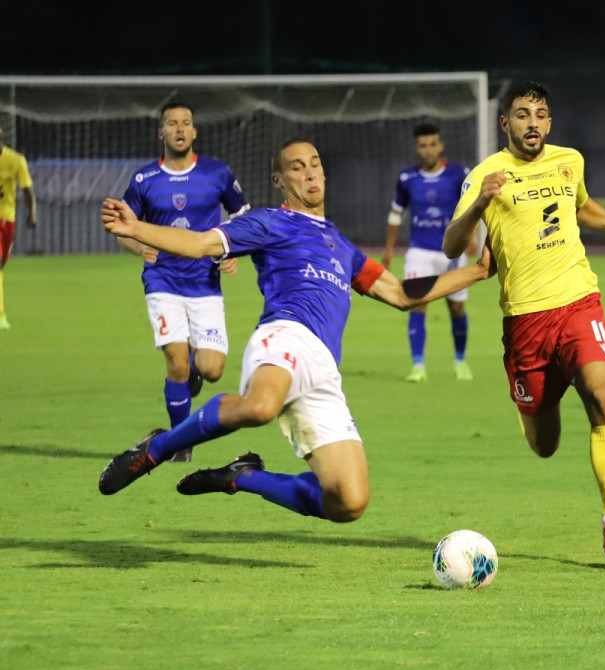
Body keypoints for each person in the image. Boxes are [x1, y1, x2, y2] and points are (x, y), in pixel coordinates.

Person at [98, 138, 490, 525]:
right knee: (260, 407)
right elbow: (200, 243)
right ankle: (156, 449)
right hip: (285, 333)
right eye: (297, 167)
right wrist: (137, 228)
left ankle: (243, 477)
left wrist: (478, 270)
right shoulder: (268, 222)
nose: (310, 172)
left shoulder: (342, 246)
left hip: (324, 366)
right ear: (279, 180)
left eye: (314, 163)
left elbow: (401, 294)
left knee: (348, 502)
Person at [443, 81, 605, 560]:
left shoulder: (569, 161)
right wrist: (479, 205)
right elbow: (452, 246)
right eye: (522, 114)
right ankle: (537, 405)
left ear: (550, 122)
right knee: (544, 444)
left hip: (579, 302)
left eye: (540, 114)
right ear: (506, 123)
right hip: (525, 322)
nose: (532, 123)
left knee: (601, 393)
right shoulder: (485, 175)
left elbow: (581, 206)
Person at [118, 101, 250, 462]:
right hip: (162, 281)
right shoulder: (144, 180)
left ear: (194, 132)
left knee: (211, 369)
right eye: (172, 123)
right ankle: (179, 444)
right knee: (175, 361)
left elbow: (242, 214)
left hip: (205, 283)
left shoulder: (217, 173)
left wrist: (232, 250)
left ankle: (193, 369)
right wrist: (138, 247)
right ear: (161, 132)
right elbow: (123, 228)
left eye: (186, 123)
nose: (179, 128)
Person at [382, 122, 476, 383]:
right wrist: (389, 249)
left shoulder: (458, 174)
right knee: (416, 304)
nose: (428, 150)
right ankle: (418, 366)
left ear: (440, 145)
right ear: (417, 148)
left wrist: (472, 237)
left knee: (457, 307)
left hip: (452, 252)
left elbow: (473, 206)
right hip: (419, 251)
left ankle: (460, 361)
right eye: (423, 145)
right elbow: (396, 213)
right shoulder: (407, 178)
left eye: (433, 144)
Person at [0, 121, 38, 330]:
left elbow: (27, 190)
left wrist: (32, 213)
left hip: (7, 219)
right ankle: (1, 315)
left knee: (2, 263)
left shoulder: (15, 161)